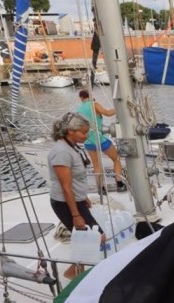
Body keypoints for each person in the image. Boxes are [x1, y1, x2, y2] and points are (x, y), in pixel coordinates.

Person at [48, 113, 104, 279]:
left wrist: (83, 196)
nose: (86, 136)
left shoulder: (71, 147)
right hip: (64, 203)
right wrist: (75, 215)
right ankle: (73, 273)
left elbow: (74, 179)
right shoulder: (61, 152)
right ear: (70, 131)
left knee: (89, 237)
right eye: (83, 132)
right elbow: (65, 186)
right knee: (95, 237)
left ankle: (77, 271)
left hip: (75, 200)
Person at [77, 89, 126, 192]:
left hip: (88, 141)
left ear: (81, 98)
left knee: (96, 165)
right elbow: (107, 113)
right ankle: (119, 184)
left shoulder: (79, 109)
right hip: (100, 139)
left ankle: (101, 188)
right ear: (90, 96)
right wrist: (120, 108)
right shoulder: (94, 104)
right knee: (116, 159)